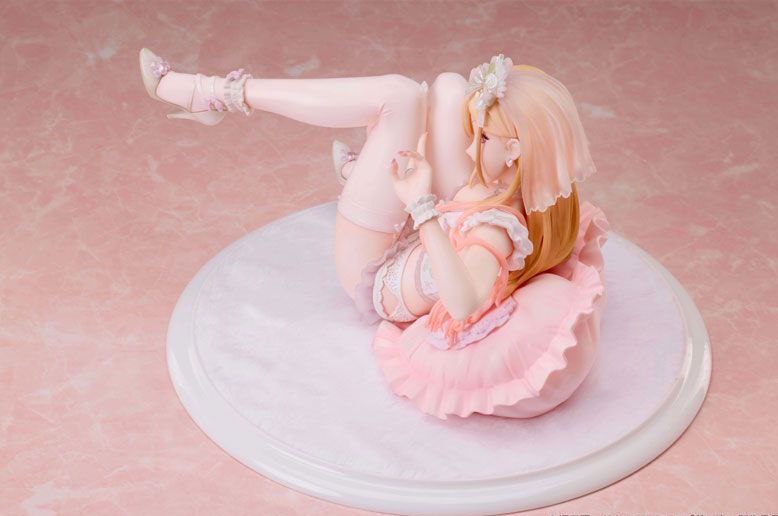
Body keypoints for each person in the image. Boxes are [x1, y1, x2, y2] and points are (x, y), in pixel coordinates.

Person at [139, 50, 610, 420]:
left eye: (483, 138)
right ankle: (370, 166)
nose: (471, 146)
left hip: (377, 265)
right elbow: (470, 170)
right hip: (436, 229)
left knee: (397, 97)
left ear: (515, 152)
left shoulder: (495, 230)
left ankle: (215, 94)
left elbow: (464, 304)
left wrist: (420, 203)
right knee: (449, 86)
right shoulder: (516, 187)